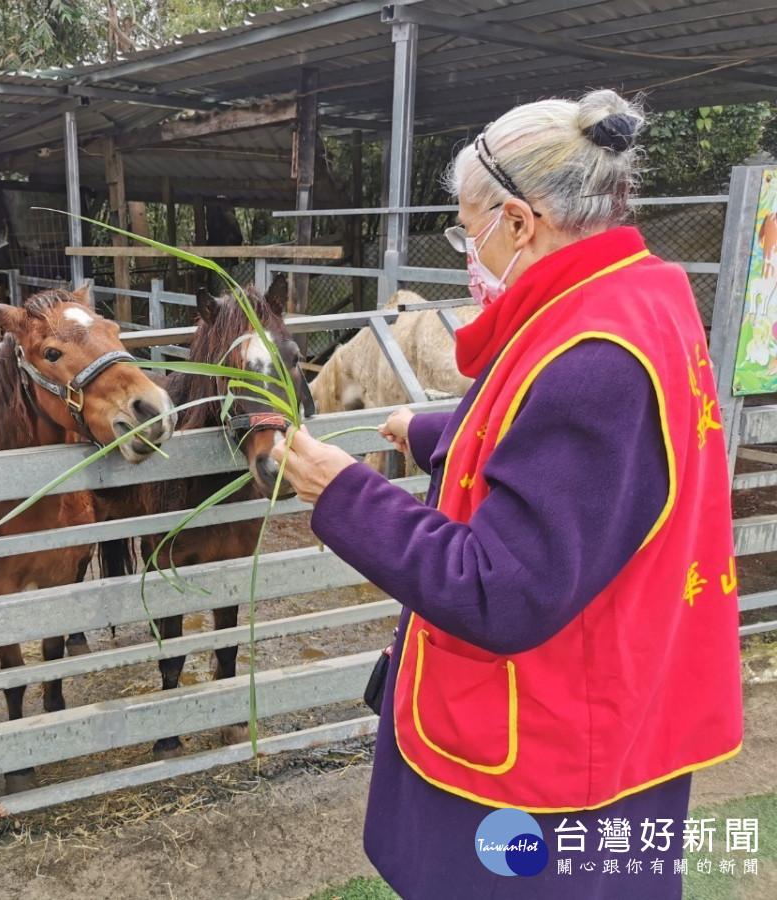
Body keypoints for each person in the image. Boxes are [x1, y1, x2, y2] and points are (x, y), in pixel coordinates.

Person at [271, 88, 742, 898]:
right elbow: (589, 466)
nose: (468, 250)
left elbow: (501, 588)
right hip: (633, 690)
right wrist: (431, 435)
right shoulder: (647, 295)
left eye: (468, 228)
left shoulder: (593, 357)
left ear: (520, 223)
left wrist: (343, 492)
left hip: (556, 750)